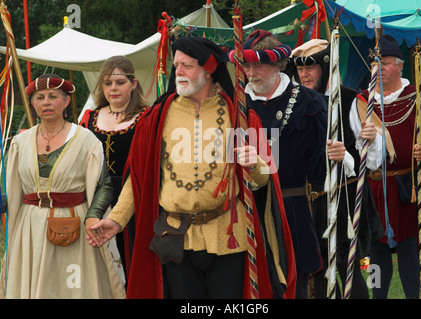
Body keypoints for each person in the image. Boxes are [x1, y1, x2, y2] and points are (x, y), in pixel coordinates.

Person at [88, 36, 297, 299]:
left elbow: (266, 179)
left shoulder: (241, 114)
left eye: (187, 65)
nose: (179, 72)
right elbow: (138, 179)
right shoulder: (156, 117)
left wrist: (255, 163)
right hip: (175, 237)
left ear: (208, 70)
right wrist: (117, 220)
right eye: (176, 65)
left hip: (229, 237)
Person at [229, 29, 344, 299]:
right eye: (246, 65)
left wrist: (338, 155)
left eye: (258, 64)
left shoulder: (311, 103)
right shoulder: (234, 107)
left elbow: (326, 170)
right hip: (248, 209)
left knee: (296, 286)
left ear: (277, 64)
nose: (251, 71)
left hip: (297, 210)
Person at [0, 74, 125, 298]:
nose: (46, 102)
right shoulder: (20, 142)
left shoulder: (86, 140)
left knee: (72, 287)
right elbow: (14, 191)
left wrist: (93, 216)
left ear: (66, 101)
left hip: (72, 224)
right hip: (30, 227)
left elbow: (103, 186)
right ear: (32, 104)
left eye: (53, 96)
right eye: (39, 97)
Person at [289, 39, 384, 299]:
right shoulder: (295, 102)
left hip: (344, 198)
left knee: (347, 268)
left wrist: (353, 152)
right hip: (311, 201)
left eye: (310, 67)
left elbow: (373, 158)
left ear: (326, 66)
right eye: (300, 69)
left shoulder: (351, 99)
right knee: (318, 270)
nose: (304, 74)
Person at [363, 34, 421, 299]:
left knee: (410, 248)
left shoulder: (417, 96)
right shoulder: (364, 101)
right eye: (375, 63)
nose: (379, 69)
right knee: (376, 252)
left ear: (400, 65)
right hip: (375, 187)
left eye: (385, 63)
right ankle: (378, 296)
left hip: (407, 187)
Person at [80, 56, 148, 277]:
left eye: (120, 82)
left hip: (135, 196)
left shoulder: (146, 117)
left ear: (134, 84)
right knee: (101, 262)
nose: (113, 88)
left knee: (131, 260)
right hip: (95, 196)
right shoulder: (89, 118)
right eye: (107, 83)